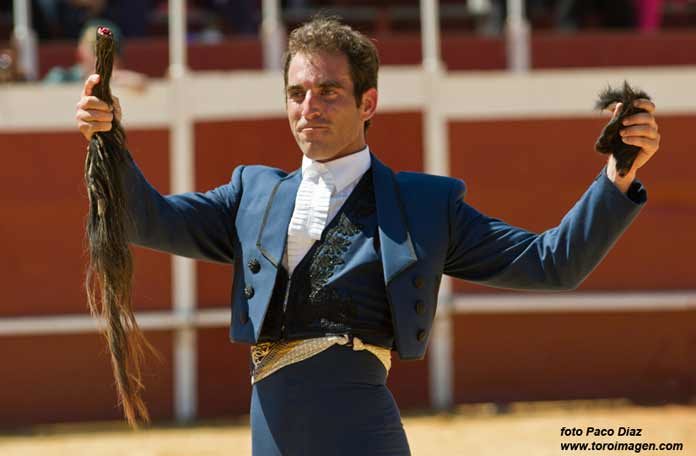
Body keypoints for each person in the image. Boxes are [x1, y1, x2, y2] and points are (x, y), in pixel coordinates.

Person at [74, 17, 660, 456]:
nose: (310, 107)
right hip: (272, 428)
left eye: (329, 91)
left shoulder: (424, 206)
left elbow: (550, 262)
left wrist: (618, 178)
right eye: (298, 93)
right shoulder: (252, 196)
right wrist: (110, 139)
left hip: (360, 429)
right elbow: (145, 219)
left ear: (368, 101)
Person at [46, 20, 147, 91]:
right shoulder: (62, 77)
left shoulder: (121, 81)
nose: (99, 57)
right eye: (94, 49)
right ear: (80, 51)